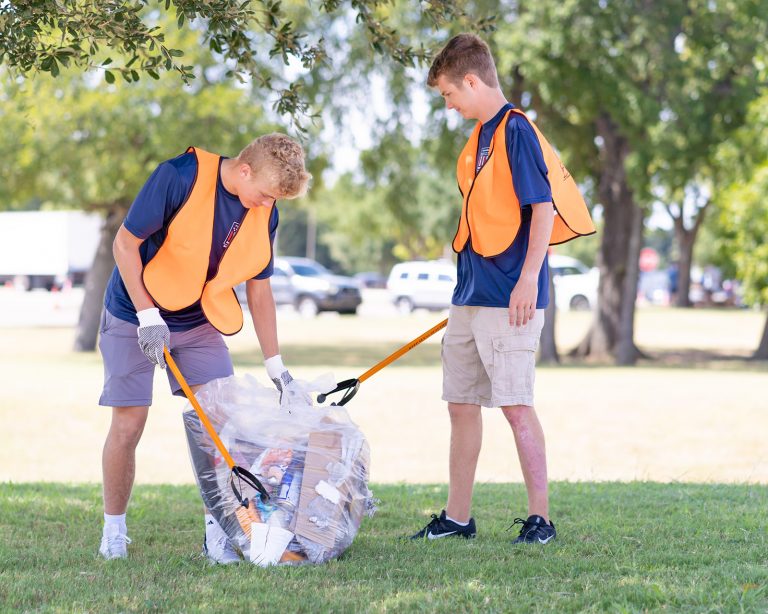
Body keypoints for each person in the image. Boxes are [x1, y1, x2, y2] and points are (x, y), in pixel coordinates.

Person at [410, 34, 594, 544]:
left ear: (471, 80)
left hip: (509, 297)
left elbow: (541, 209)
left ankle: (541, 521)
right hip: (470, 296)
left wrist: (529, 279)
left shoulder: (516, 132)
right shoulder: (479, 138)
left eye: (449, 94)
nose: (448, 105)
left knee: (515, 405)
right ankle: (457, 518)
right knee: (461, 405)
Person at [97, 134, 312, 562]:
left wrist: (278, 369)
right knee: (129, 425)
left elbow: (260, 290)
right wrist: (147, 316)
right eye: (265, 195)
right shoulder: (178, 177)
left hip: (197, 321)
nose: (267, 205)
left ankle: (219, 534)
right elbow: (124, 244)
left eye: (275, 201)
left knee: (222, 427)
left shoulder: (265, 210)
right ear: (245, 170)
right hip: (132, 309)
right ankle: (114, 532)